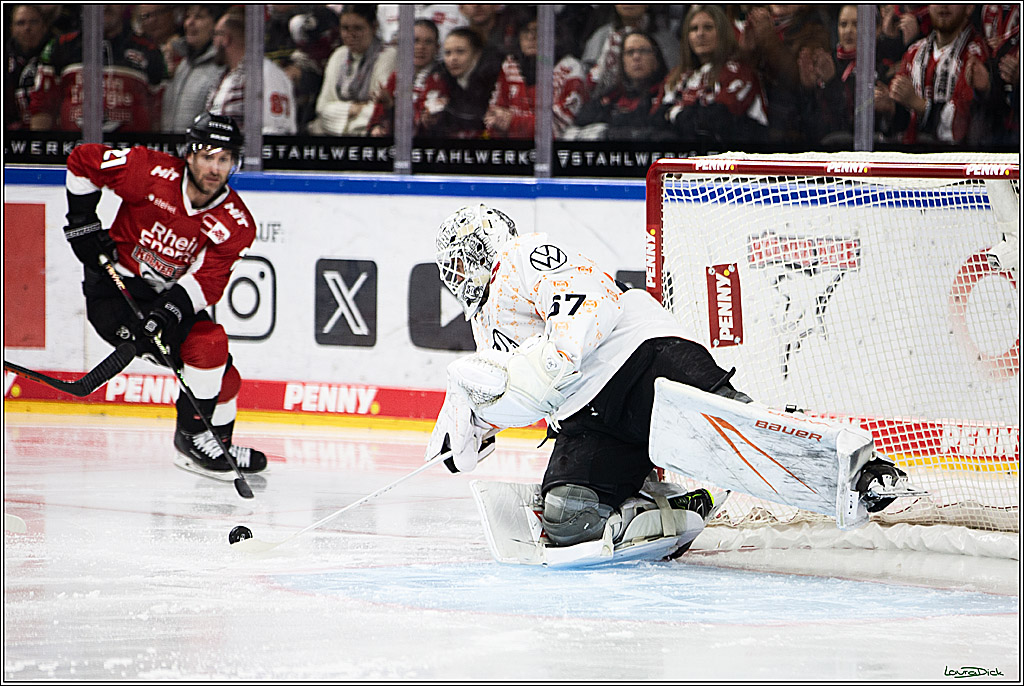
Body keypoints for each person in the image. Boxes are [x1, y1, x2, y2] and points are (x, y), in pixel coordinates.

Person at [61, 112, 267, 475]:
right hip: (114, 292)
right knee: (209, 345)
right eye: (207, 156)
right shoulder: (149, 171)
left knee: (224, 376)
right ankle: (192, 440)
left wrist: (165, 313)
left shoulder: (236, 223)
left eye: (224, 159)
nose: (214, 168)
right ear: (189, 155)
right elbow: (83, 159)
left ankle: (214, 443)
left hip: (164, 299)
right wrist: (82, 222)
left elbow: (208, 281)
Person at [29, 5, 167, 132]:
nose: (105, 6)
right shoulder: (61, 45)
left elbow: (160, 112)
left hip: (129, 152)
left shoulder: (150, 50)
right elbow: (42, 107)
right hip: (74, 150)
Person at [875, 4, 991, 145]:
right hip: (914, 159)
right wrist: (891, 109)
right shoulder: (913, 52)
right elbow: (905, 125)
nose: (943, 6)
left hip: (956, 161)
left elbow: (963, 127)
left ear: (969, 7)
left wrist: (920, 105)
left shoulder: (976, 56)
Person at [658, 5, 768, 147]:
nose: (700, 34)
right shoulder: (676, 76)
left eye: (708, 28)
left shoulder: (738, 73)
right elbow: (655, 117)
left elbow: (716, 120)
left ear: (723, 32)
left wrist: (673, 113)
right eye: (693, 29)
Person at [484, 12, 588, 140]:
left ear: (555, 36)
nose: (531, 37)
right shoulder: (510, 65)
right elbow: (493, 117)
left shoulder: (570, 69)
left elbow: (558, 125)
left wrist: (513, 122)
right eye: (525, 31)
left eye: (538, 31)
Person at [205, 6, 297, 135]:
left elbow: (276, 130)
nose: (213, 41)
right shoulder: (225, 76)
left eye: (216, 34)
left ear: (226, 38)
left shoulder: (264, 73)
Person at [307, 4, 397, 136]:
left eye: (358, 28)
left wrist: (340, 115)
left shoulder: (387, 55)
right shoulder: (339, 55)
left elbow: (378, 110)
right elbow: (322, 107)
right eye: (345, 28)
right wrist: (353, 108)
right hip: (345, 130)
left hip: (367, 132)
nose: (350, 35)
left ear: (374, 26)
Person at [566, 31, 669, 141]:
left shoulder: (667, 93)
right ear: (622, 61)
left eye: (643, 51)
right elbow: (583, 118)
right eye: (630, 52)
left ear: (656, 60)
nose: (636, 57)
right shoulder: (612, 94)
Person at [418, 27, 500, 139]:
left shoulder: (493, 76)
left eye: (460, 52)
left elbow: (481, 118)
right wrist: (429, 118)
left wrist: (446, 112)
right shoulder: (440, 74)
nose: (453, 59)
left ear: (477, 54)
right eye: (447, 53)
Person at [368, 19, 440, 137]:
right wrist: (376, 128)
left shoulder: (439, 80)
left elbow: (420, 127)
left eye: (428, 42)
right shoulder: (397, 76)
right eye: (415, 41)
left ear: (437, 48)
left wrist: (391, 106)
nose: (421, 47)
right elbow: (377, 117)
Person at [161, 5, 228, 133]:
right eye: (188, 16)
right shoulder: (182, 64)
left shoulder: (221, 67)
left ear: (216, 25)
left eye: (199, 17)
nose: (189, 23)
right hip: (172, 147)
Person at [6, 4, 50, 130]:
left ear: (44, 26)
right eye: (20, 23)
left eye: (33, 22)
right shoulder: (6, 59)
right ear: (12, 29)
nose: (27, 28)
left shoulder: (56, 56)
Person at [134, 4, 183, 77]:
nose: (152, 20)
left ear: (173, 13)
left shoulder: (188, 45)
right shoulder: (136, 50)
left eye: (158, 13)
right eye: (146, 16)